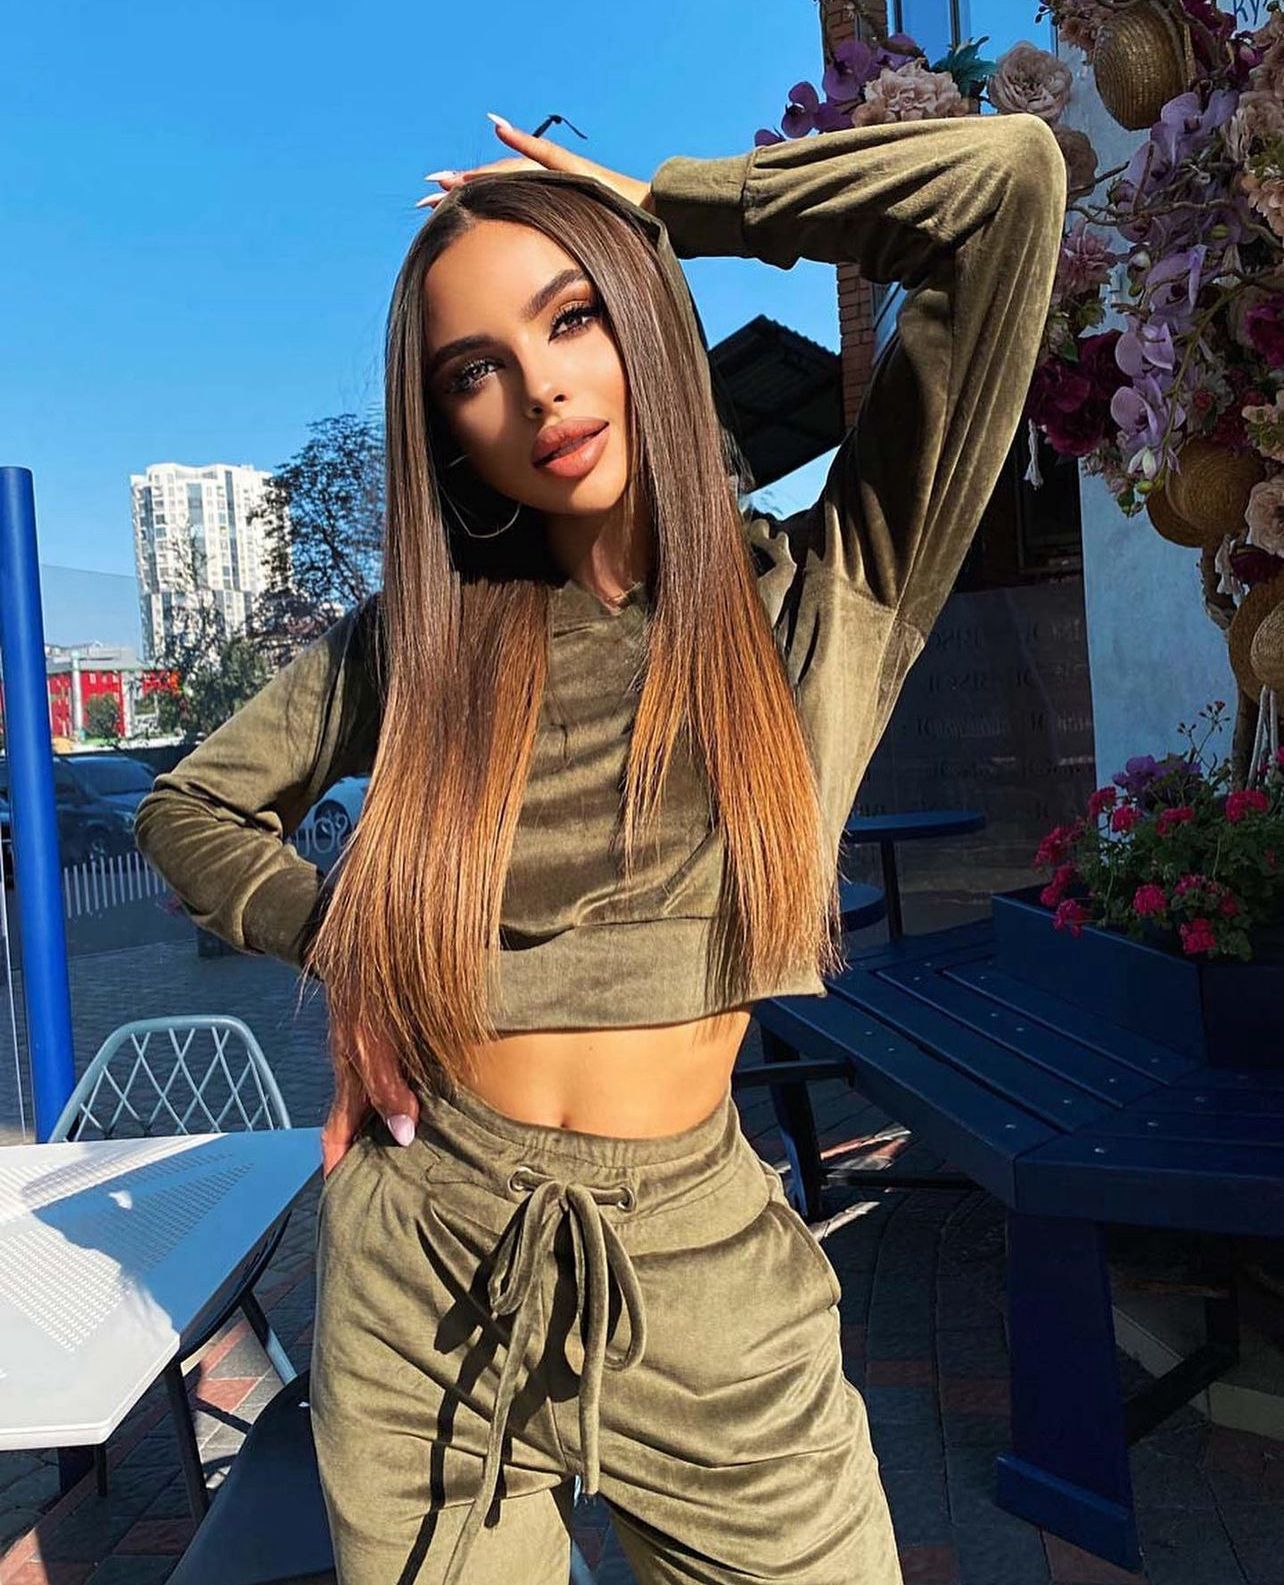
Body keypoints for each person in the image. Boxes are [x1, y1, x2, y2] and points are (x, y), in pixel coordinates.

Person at [134, 104, 1067, 1585]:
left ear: (639, 307)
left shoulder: (829, 595)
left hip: (703, 1271)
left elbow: (1005, 187)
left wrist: (666, 203)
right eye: (474, 371)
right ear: (446, 427)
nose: (541, 389)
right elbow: (187, 807)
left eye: (571, 316)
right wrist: (355, 944)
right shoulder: (426, 642)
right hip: (423, 1261)